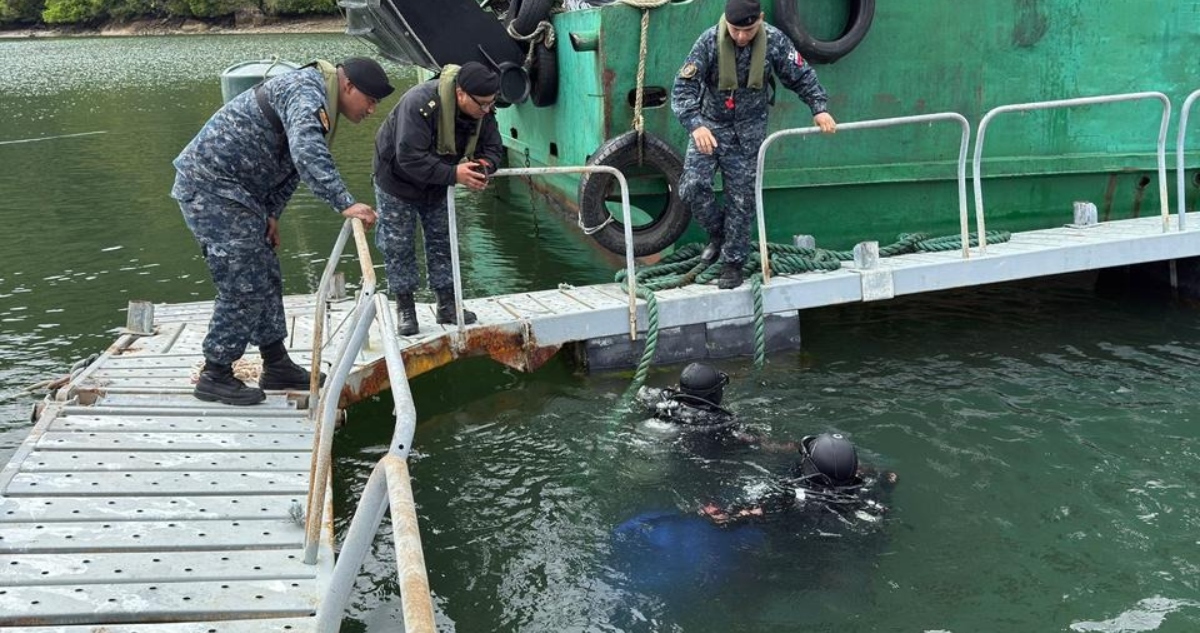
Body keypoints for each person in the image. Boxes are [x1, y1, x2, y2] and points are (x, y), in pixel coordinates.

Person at [172, 57, 392, 405]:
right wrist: (345, 202)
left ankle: (276, 364)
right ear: (348, 86)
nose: (371, 110)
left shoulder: (320, 95)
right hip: (211, 186)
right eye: (371, 100)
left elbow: (289, 164)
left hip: (242, 194)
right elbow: (306, 154)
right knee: (243, 279)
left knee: (266, 272)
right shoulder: (307, 92)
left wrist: (271, 212)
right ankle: (215, 374)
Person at [671, 0, 838, 290]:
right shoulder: (708, 42)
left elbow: (801, 75)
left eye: (747, 30)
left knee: (741, 200)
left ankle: (733, 262)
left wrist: (819, 108)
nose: (740, 36)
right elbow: (683, 88)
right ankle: (718, 234)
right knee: (693, 186)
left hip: (748, 133)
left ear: (759, 19)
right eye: (734, 29)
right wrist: (695, 125)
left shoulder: (774, 41)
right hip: (710, 127)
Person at [373, 61, 505, 336]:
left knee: (443, 240)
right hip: (397, 180)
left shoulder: (483, 111)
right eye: (482, 104)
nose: (486, 110)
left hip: (439, 181)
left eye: (491, 104)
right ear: (460, 93)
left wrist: (484, 166)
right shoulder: (420, 103)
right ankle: (405, 308)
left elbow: (494, 147)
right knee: (398, 246)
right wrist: (454, 174)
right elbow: (409, 156)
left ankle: (447, 304)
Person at [701, 432, 896, 524]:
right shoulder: (867, 491)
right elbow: (892, 476)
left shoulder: (789, 495)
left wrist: (722, 516)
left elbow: (751, 513)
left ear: (809, 465)